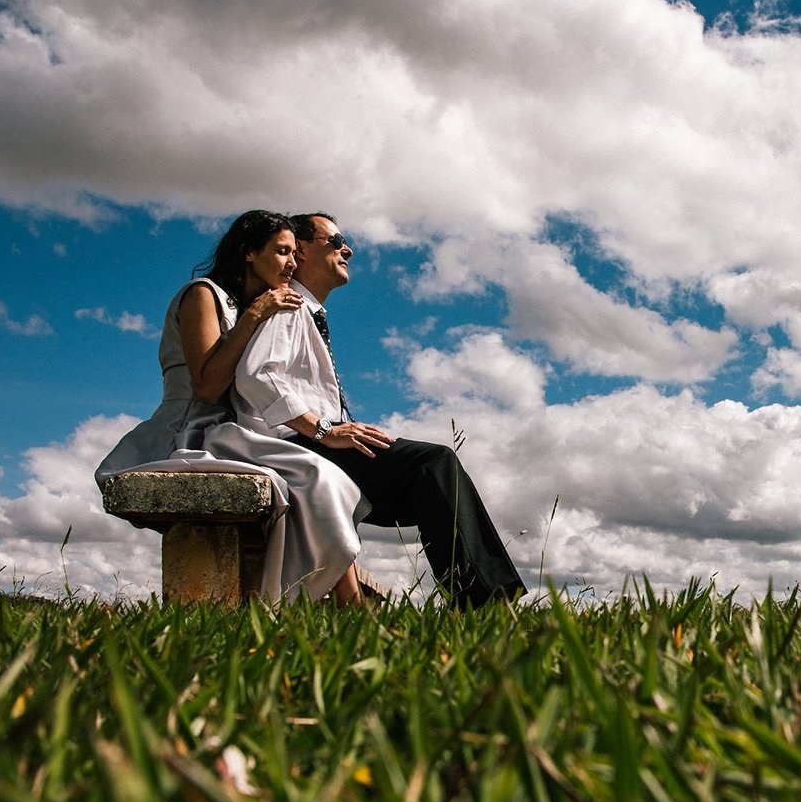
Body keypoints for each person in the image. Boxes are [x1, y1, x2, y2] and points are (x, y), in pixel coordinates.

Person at [231, 211, 525, 608]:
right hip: (297, 449)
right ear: (300, 252)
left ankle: (479, 602)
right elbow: (254, 377)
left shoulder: (307, 311)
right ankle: (482, 604)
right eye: (334, 241)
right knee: (431, 465)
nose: (347, 248)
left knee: (432, 477)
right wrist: (323, 430)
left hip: (316, 445)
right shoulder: (288, 307)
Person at [97, 210, 373, 606]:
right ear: (248, 253)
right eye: (281, 252)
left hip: (233, 430)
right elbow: (208, 387)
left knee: (317, 473)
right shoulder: (203, 295)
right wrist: (257, 314)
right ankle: (332, 604)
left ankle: (341, 601)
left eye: (295, 253)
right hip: (190, 429)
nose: (292, 263)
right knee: (316, 474)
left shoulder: (249, 303)